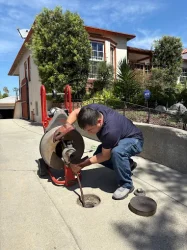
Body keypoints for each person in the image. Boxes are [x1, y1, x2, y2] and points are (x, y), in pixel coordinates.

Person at [53, 104, 144, 200]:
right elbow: (76, 112)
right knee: (97, 155)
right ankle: (128, 165)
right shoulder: (92, 110)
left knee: (117, 152)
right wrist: (66, 126)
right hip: (120, 137)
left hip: (134, 140)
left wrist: (81, 165)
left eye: (90, 129)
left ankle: (126, 185)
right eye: (86, 130)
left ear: (99, 121)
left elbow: (105, 156)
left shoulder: (110, 132)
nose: (89, 133)